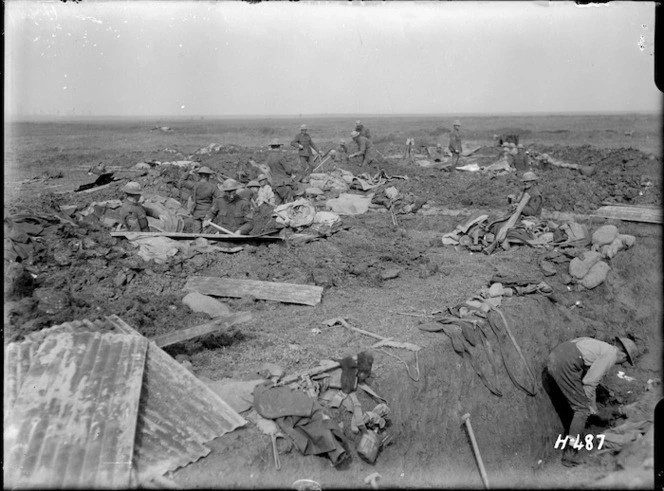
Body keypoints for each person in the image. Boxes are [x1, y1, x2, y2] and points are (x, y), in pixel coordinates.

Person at [547, 336, 638, 467]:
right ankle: (570, 454)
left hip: (555, 356)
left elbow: (588, 380)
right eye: (624, 361)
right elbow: (589, 382)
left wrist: (592, 404)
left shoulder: (599, 346)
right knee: (581, 410)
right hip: (565, 363)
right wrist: (590, 407)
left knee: (578, 404)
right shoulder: (611, 354)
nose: (621, 363)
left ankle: (576, 434)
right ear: (623, 355)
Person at [181, 166, 221, 233]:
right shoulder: (212, 187)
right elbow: (220, 197)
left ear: (200, 176)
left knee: (196, 235)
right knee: (207, 235)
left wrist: (188, 173)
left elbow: (182, 181)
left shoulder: (194, 185)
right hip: (208, 214)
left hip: (197, 214)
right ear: (207, 176)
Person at [267, 138, 296, 205]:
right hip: (283, 184)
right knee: (289, 204)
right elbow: (288, 170)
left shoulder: (269, 157)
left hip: (274, 184)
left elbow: (269, 170)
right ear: (279, 146)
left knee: (278, 206)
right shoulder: (280, 156)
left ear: (271, 147)